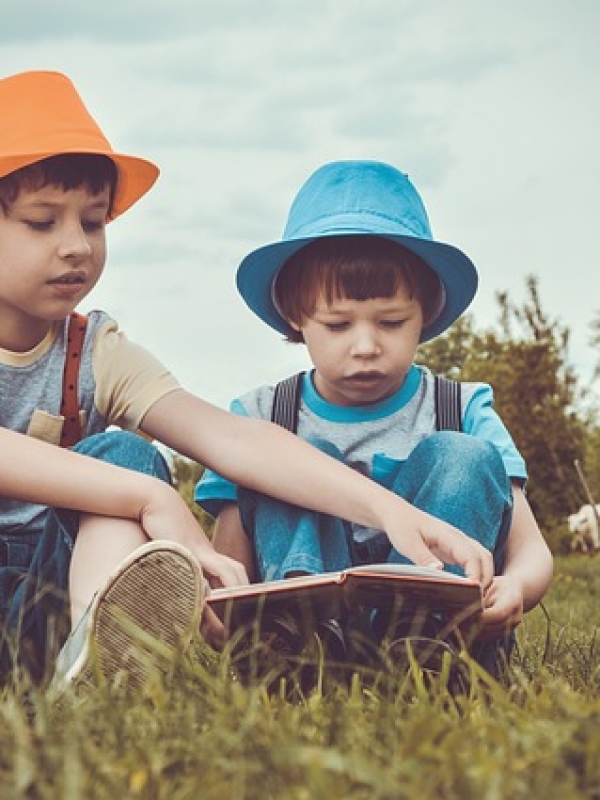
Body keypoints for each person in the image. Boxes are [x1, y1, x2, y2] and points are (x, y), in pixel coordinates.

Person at [0, 73, 491, 688]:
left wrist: (390, 511)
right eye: (42, 223)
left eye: (94, 223)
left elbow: (235, 441)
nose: (76, 247)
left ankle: (96, 674)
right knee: (128, 478)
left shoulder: (94, 349)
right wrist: (153, 497)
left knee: (125, 453)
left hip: (37, 618)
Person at [196, 159, 553, 676]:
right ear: (297, 317)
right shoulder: (260, 417)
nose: (365, 346)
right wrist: (224, 611)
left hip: (445, 635)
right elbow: (231, 570)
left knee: (460, 454)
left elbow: (532, 551)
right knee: (286, 458)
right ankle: (302, 640)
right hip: (304, 644)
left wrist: (516, 586)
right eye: (338, 325)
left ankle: (428, 641)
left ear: (426, 312)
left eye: (390, 322)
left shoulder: (461, 408)